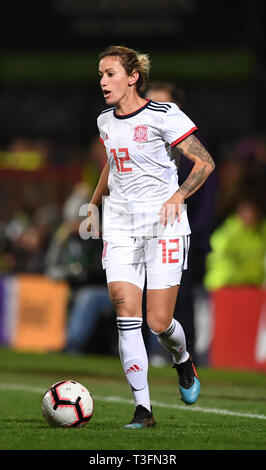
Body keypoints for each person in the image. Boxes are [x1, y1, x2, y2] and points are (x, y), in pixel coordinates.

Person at [88, 46, 215, 429]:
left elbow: (204, 162)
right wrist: (93, 207)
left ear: (132, 77)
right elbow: (112, 166)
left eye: (110, 74)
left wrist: (178, 195)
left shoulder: (165, 114)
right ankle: (143, 410)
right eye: (100, 75)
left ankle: (182, 360)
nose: (103, 82)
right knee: (126, 313)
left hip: (165, 225)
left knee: (158, 322)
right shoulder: (105, 121)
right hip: (122, 227)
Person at [145, 82, 217, 364]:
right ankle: (143, 357)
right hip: (142, 235)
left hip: (180, 236)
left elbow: (206, 199)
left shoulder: (191, 150)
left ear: (178, 110)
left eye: (165, 105)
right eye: (151, 104)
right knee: (139, 301)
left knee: (180, 300)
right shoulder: (142, 147)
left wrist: (196, 237)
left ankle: (187, 358)